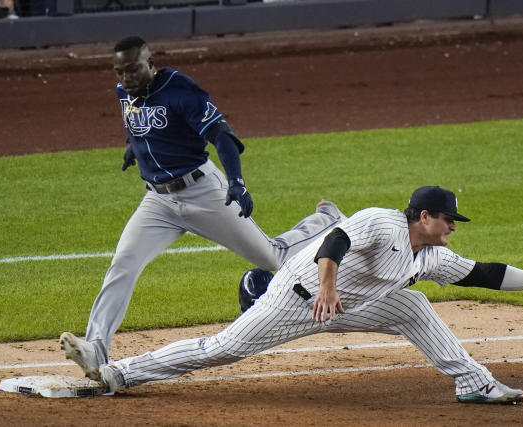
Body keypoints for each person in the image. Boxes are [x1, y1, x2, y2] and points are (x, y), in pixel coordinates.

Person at [85, 185, 523, 404]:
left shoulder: (430, 257)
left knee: (414, 304)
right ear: (423, 216)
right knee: (224, 349)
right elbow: (336, 242)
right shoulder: (382, 221)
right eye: (448, 219)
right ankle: (120, 373)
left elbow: (485, 273)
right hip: (297, 297)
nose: (454, 227)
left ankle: (473, 382)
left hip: (342, 306)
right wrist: (328, 289)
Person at [59, 35, 346, 381]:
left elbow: (221, 135)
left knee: (272, 258)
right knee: (123, 264)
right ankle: (94, 350)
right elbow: (139, 124)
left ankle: (326, 219)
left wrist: (237, 182)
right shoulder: (125, 91)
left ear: (150, 63)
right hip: (159, 202)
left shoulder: (182, 90)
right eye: (119, 71)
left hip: (203, 193)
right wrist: (133, 148)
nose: (126, 77)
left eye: (133, 68)